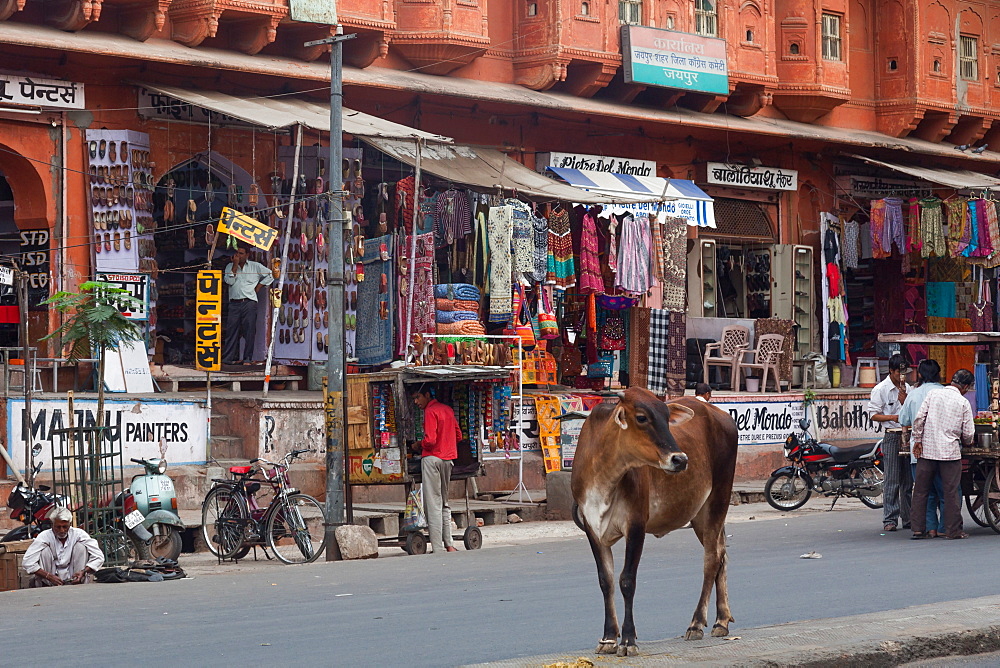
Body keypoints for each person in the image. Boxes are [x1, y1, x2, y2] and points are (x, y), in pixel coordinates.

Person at [911, 368, 976, 540]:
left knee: (920, 491)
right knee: (951, 492)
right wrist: (967, 442)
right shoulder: (963, 402)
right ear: (966, 387)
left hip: (928, 451)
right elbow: (969, 433)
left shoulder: (933, 394)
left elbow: (919, 419)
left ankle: (918, 529)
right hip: (950, 454)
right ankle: (952, 531)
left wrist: (917, 440)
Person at [898, 359, 949, 537]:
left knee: (923, 493)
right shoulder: (946, 393)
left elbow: (903, 420)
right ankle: (944, 528)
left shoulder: (914, 394)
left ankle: (930, 528)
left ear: (920, 374)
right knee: (944, 492)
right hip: (943, 450)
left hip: (919, 451)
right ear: (938, 373)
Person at [412, 385, 462, 553]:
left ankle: (438, 547)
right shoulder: (447, 410)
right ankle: (449, 544)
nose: (416, 401)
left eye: (418, 397)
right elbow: (459, 435)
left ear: (427, 395)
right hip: (448, 459)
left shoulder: (430, 411)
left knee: (433, 503)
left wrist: (419, 444)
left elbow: (430, 440)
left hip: (432, 459)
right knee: (444, 503)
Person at [866, 354, 912, 532]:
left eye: (904, 373)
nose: (902, 376)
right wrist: (894, 417)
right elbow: (874, 414)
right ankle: (890, 518)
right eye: (899, 373)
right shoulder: (881, 389)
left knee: (907, 480)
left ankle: (908, 517)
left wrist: (905, 400)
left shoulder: (907, 387)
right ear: (891, 371)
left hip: (907, 435)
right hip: (892, 435)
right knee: (892, 478)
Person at [22, 507, 105, 587]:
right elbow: (28, 562)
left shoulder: (79, 534)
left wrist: (83, 572)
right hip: (49, 577)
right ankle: (46, 584)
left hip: (74, 574)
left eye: (65, 527)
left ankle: (78, 581)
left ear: (70, 524)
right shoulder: (44, 536)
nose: (62, 530)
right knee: (44, 551)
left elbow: (98, 557)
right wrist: (49, 576)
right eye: (58, 527)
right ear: (52, 525)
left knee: (81, 547)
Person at [222, 244, 273, 365]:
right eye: (237, 253)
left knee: (249, 331)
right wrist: (235, 265)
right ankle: (227, 359)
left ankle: (247, 359)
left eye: (241, 253)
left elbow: (271, 275)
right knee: (231, 331)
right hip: (234, 303)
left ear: (247, 255)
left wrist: (259, 286)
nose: (238, 256)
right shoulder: (230, 266)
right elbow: (229, 281)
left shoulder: (255, 266)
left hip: (249, 303)